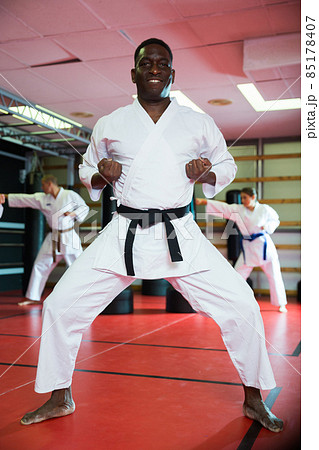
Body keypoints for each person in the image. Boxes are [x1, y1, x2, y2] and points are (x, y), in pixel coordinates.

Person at [19, 38, 283, 433]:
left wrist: (207, 173)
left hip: (181, 232)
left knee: (243, 304)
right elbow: (86, 171)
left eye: (163, 63)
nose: (155, 68)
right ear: (134, 72)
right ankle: (60, 396)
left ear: (172, 73)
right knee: (60, 306)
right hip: (123, 231)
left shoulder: (198, 122)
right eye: (147, 62)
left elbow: (226, 164)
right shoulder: (111, 123)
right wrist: (99, 175)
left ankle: (254, 398)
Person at [1, 175, 89, 306]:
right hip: (52, 237)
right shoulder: (43, 198)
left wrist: (73, 214)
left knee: (78, 266)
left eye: (43, 185)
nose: (41, 188)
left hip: (68, 236)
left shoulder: (69, 195)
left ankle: (85, 295)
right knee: (40, 265)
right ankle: (33, 296)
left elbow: (85, 208)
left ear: (50, 184)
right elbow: (24, 198)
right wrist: (6, 197)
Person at [197, 187, 288, 313]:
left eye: (245, 197)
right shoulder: (239, 210)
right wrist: (204, 201)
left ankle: (281, 303)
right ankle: (229, 302)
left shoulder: (264, 209)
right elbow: (224, 208)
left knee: (274, 275)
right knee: (237, 276)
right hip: (248, 248)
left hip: (264, 248)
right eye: (242, 198)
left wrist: (267, 226)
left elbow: (275, 220)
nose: (243, 200)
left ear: (253, 197)